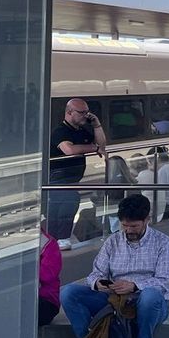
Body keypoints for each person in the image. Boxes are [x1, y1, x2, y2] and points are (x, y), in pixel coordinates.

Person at [61, 194, 169, 338]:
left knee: (150, 295)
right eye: (125, 225)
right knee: (69, 293)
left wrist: (134, 285)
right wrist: (99, 283)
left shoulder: (163, 243)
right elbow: (95, 274)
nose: (129, 230)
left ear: (147, 220)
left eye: (134, 226)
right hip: (113, 298)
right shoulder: (112, 241)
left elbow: (163, 281)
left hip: (145, 300)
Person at [47, 99, 106, 244]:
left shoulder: (81, 131)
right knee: (68, 202)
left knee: (63, 206)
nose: (86, 116)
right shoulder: (60, 131)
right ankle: (61, 240)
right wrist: (93, 148)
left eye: (87, 112)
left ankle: (56, 240)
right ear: (69, 112)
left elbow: (101, 145)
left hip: (71, 179)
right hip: (57, 178)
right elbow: (69, 150)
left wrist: (97, 125)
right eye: (81, 113)